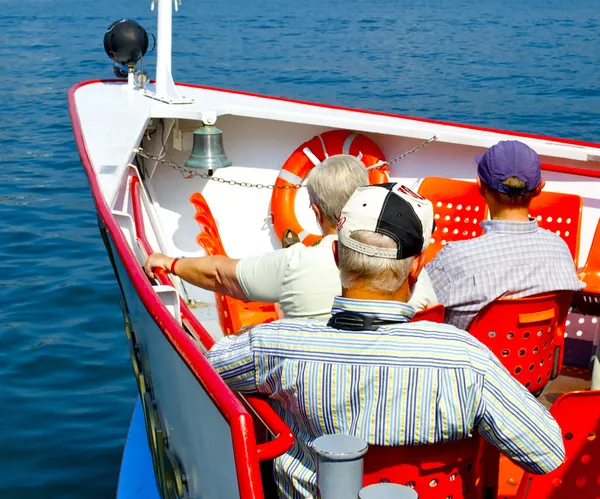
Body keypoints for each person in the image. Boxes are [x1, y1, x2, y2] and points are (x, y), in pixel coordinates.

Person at [207, 183, 565, 499]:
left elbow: (203, 371)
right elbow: (546, 452)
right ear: (416, 267)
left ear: (336, 256)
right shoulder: (467, 359)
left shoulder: (273, 347)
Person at [144, 154, 437, 320]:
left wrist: (170, 263)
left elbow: (222, 276)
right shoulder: (408, 266)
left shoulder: (295, 262)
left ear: (315, 211)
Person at [426, 140, 584, 330]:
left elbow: (416, 305)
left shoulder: (456, 258)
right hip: (535, 358)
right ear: (539, 188)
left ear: (480, 185)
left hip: (468, 358)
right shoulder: (560, 249)